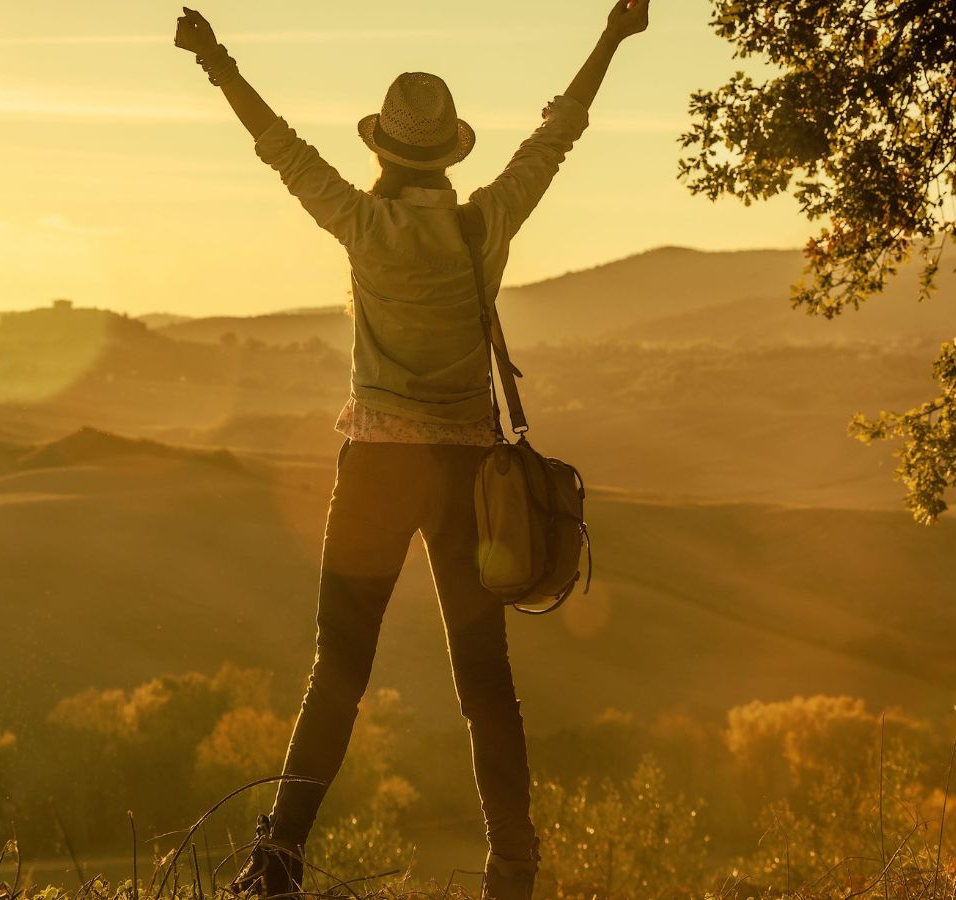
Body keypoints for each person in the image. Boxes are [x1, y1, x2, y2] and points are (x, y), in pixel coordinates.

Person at [173, 4, 650, 897]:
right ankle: (514, 868)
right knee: (486, 685)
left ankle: (276, 863)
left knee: (338, 669)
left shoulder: (360, 222)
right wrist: (613, 38)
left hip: (377, 472)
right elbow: (559, 134)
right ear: (448, 156)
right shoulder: (485, 225)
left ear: (384, 151)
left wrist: (214, 57)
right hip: (470, 477)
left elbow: (275, 142)